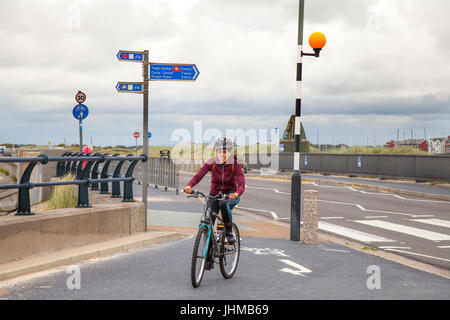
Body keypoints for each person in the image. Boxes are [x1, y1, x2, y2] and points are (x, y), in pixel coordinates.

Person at [184, 137, 245, 246]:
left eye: (225, 152)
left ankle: (229, 232)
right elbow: (198, 175)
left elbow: (241, 184)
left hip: (231, 194)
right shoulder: (211, 162)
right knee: (209, 223)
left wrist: (236, 193)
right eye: (220, 152)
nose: (222, 155)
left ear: (230, 152)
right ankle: (208, 259)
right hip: (215, 194)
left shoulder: (235, 164)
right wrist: (189, 186)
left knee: (224, 204)